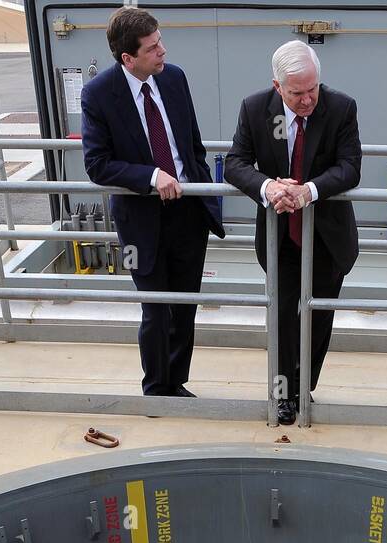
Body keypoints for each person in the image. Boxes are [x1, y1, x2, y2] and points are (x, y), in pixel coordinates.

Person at [81, 7, 224, 399]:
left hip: (188, 213)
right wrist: (150, 176)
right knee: (155, 309)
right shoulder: (98, 94)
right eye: (153, 47)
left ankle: (175, 383)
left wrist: (198, 187)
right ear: (128, 58)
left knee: (184, 307)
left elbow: (192, 146)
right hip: (140, 219)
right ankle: (156, 388)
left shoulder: (174, 78)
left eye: (160, 42)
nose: (163, 51)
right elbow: (97, 165)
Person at [225, 40, 361, 426]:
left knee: (318, 318)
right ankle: (283, 393)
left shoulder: (341, 107)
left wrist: (307, 192)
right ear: (277, 86)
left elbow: (350, 166)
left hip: (326, 238)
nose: (307, 101)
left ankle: (304, 387)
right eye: (297, 93)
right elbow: (235, 164)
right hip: (280, 237)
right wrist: (269, 187)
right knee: (283, 316)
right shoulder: (254, 109)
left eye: (313, 90)